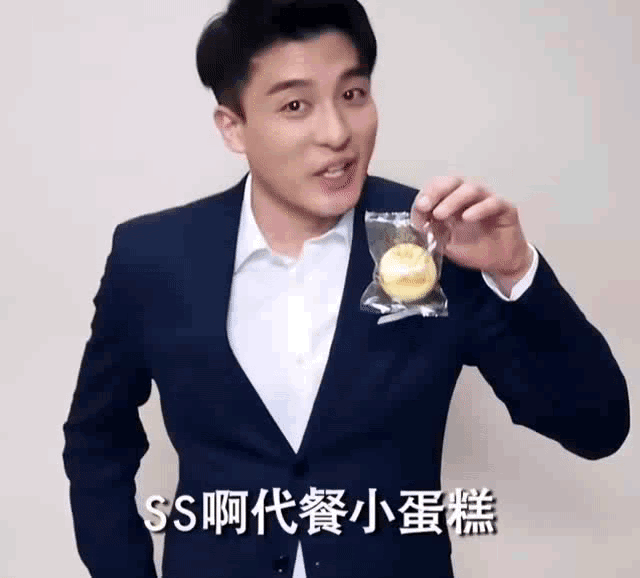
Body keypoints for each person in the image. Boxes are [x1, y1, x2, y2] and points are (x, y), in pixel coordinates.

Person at [62, 1, 630, 577]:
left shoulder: (435, 237)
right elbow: (97, 440)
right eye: (295, 105)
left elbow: (597, 427)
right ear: (233, 127)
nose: (337, 133)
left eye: (353, 94)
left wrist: (515, 271)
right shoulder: (152, 257)